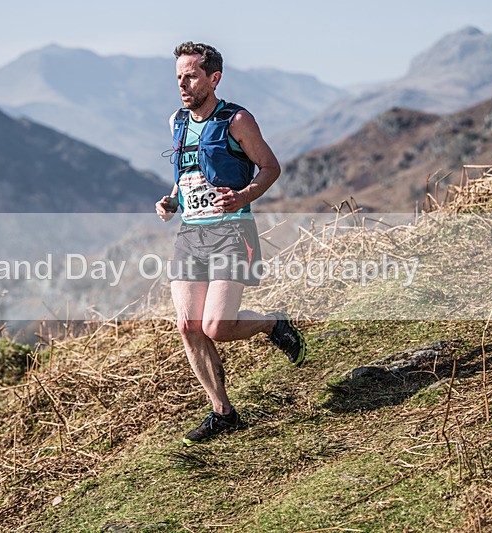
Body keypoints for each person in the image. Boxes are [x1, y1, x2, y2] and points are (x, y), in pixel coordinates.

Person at [155, 41, 306, 446]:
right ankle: (223, 412)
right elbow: (186, 171)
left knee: (216, 326)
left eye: (191, 76)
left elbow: (270, 167)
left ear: (213, 78)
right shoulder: (177, 121)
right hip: (191, 233)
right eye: (178, 78)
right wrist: (172, 200)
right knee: (188, 327)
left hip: (232, 232)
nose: (183, 85)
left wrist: (244, 196)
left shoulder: (237, 120)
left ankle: (274, 323)